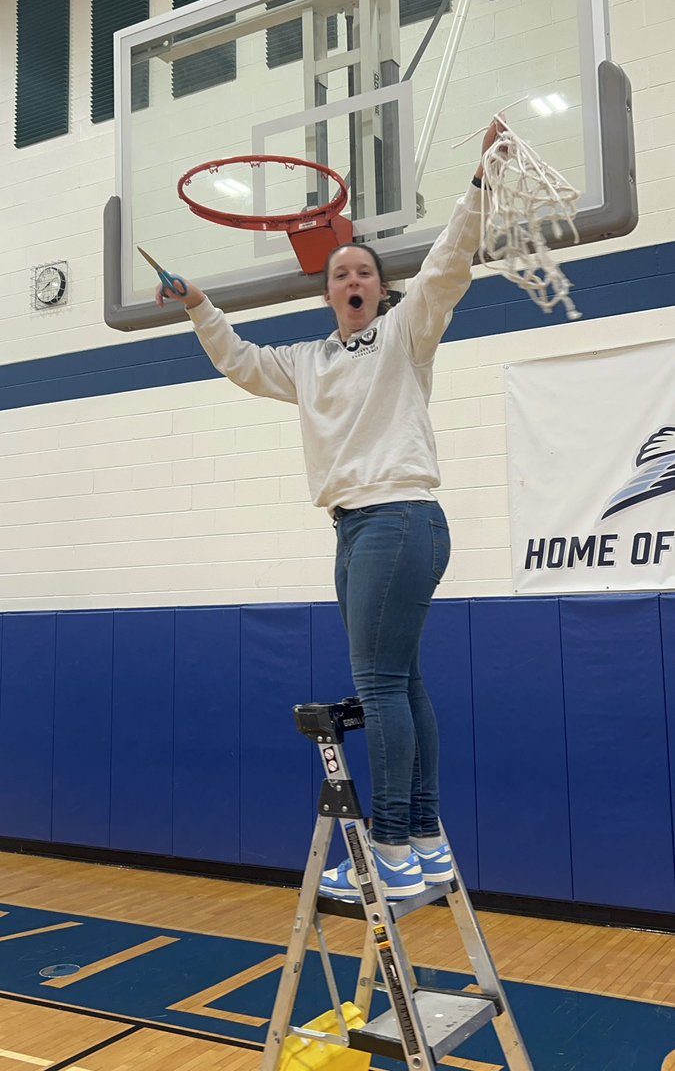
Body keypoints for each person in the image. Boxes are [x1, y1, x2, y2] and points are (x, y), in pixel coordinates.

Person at [156, 121, 502, 901]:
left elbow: (447, 264)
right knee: (401, 683)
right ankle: (422, 841)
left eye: (363, 272)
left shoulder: (404, 335)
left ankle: (389, 847)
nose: (352, 279)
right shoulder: (307, 362)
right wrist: (200, 304)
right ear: (327, 292)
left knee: (380, 687)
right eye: (340, 272)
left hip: (399, 519)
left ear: (378, 290)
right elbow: (241, 362)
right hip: (356, 528)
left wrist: (479, 185)